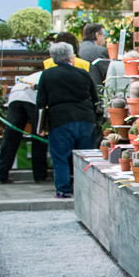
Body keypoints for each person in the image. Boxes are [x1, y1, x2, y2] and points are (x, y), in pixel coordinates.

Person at [36, 42, 98, 199]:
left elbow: (41, 102)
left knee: (60, 157)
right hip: (85, 118)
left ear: (53, 57)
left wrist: (41, 126)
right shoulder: (82, 73)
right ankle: (85, 190)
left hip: (59, 120)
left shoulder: (47, 75)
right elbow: (94, 97)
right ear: (71, 56)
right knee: (85, 157)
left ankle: (64, 190)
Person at [0, 72, 48, 184]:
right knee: (38, 136)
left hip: (15, 94)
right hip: (33, 96)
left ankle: (1, 175)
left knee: (10, 137)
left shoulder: (42, 72)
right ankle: (40, 175)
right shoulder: (57, 74)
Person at [79, 23, 110, 90]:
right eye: (104, 36)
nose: (105, 40)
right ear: (97, 35)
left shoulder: (77, 49)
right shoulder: (100, 51)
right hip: (96, 92)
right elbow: (109, 74)